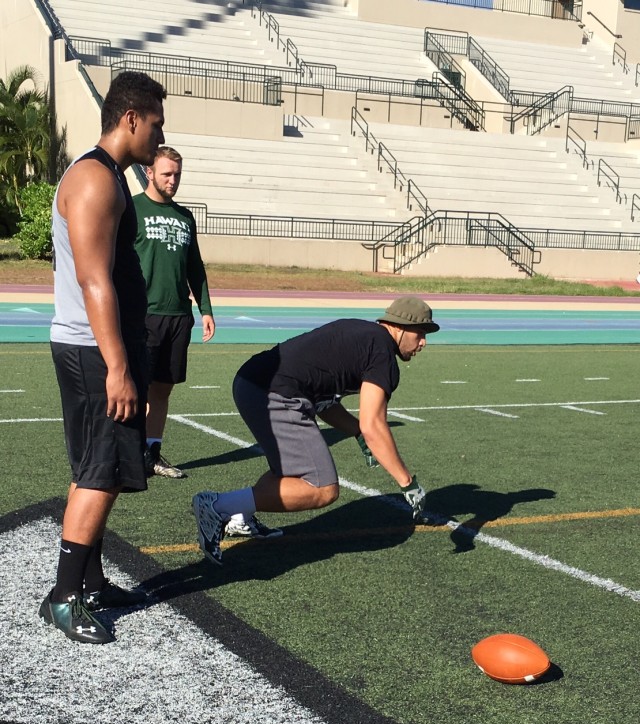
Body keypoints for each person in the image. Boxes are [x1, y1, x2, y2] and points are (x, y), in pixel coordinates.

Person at [39, 71, 166, 644]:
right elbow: (94, 282)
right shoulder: (95, 180)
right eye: (157, 123)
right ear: (131, 118)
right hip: (94, 351)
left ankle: (88, 581)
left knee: (101, 470)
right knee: (98, 471)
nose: (160, 136)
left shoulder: (109, 176)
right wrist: (117, 365)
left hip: (99, 347)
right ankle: (64, 596)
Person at [192, 296, 440, 566]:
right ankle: (217, 507)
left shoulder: (363, 335)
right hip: (274, 392)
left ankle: (239, 515)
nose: (424, 343)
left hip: (253, 382)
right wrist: (407, 483)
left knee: (289, 472)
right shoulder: (381, 352)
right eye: (421, 333)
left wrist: (356, 432)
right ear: (401, 327)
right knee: (322, 487)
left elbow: (324, 403)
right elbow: (374, 424)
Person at [133, 146, 215, 479]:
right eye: (166, 173)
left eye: (177, 174)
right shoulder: (132, 209)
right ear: (149, 172)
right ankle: (129, 453)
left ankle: (152, 453)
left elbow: (194, 266)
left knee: (163, 388)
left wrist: (206, 308)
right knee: (137, 388)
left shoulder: (185, 216)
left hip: (178, 315)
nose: (173, 180)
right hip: (143, 315)